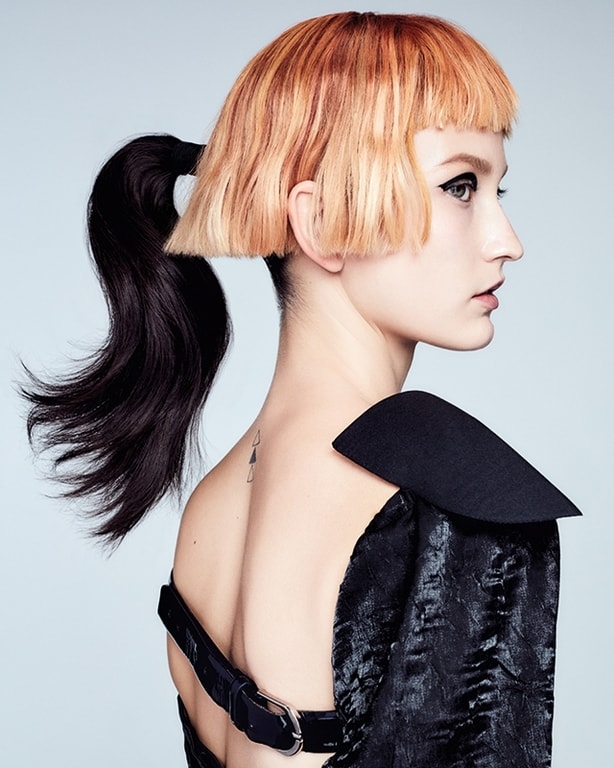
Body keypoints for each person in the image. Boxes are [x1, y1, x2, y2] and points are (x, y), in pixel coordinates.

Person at [24, 11, 581, 768]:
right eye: (460, 187)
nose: (507, 240)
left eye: (496, 189)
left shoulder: (212, 506)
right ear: (319, 222)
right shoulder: (439, 503)